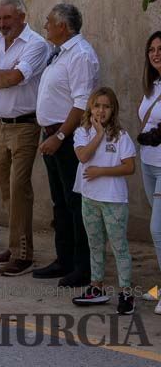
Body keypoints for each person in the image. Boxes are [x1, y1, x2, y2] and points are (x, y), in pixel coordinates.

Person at [0, 0, 52, 277]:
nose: (2, 24)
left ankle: (23, 254)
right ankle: (15, 245)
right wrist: (0, 75)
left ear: (22, 17)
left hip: (25, 125)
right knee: (5, 188)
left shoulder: (36, 45)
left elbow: (14, 79)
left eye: (7, 18)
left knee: (19, 189)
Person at [34, 3, 100, 287]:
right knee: (60, 202)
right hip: (52, 136)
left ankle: (82, 267)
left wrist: (60, 136)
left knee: (76, 203)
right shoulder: (59, 53)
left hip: (67, 138)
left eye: (50, 21)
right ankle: (64, 260)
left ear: (63, 26)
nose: (46, 25)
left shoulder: (81, 55)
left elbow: (82, 102)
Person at [72, 88, 136, 314]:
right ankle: (96, 288)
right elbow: (83, 156)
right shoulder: (82, 132)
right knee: (95, 244)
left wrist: (102, 171)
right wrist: (98, 134)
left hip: (114, 200)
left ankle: (127, 293)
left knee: (119, 247)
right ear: (90, 107)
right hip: (90, 199)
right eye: (97, 105)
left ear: (113, 110)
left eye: (106, 106)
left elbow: (129, 166)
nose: (101, 110)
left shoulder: (121, 136)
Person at [137, 32, 161, 312]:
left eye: (160, 49)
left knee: (157, 229)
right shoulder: (152, 85)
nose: (155, 54)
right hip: (148, 162)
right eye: (151, 49)